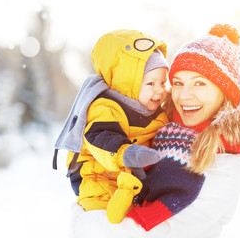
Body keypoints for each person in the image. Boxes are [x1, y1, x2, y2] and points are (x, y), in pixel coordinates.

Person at [104, 24, 240, 235]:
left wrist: (87, 223)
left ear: (224, 92)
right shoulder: (158, 131)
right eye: (178, 83)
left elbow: (162, 232)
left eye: (199, 84)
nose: (184, 95)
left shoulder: (229, 165)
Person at [53, 29, 170, 224]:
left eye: (163, 83)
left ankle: (125, 199)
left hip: (131, 174)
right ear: (128, 82)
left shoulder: (158, 110)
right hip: (96, 171)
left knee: (144, 211)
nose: (159, 90)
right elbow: (100, 137)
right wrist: (126, 153)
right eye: (151, 83)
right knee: (99, 208)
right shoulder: (105, 106)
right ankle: (113, 214)